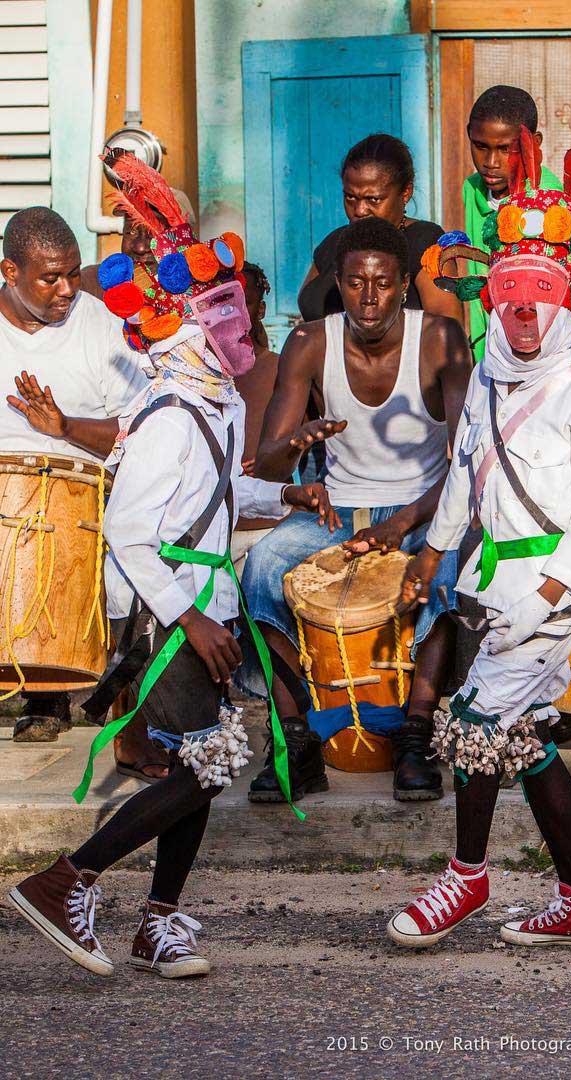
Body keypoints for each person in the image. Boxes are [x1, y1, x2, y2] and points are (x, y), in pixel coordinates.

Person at [7, 153, 335, 979]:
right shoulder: (168, 414)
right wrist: (187, 617)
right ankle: (65, 881)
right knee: (205, 763)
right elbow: (128, 530)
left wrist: (284, 502)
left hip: (203, 599)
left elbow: (220, 499)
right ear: (192, 329)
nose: (247, 341)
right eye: (231, 326)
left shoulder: (213, 404)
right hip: (168, 612)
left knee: (209, 761)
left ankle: (160, 920)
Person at [386, 132, 571, 948]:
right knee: (525, 744)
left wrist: (553, 593)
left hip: (549, 594)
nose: (523, 317)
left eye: (539, 301)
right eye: (509, 301)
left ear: (564, 303)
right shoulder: (490, 377)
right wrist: (431, 555)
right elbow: (464, 474)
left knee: (478, 725)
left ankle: (466, 879)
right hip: (490, 582)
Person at [241, 216, 472, 803]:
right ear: (337, 283)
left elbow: (468, 462)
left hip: (423, 508)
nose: (369, 298)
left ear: (403, 285)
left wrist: (403, 525)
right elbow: (266, 464)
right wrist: (301, 440)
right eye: (354, 282)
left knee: (441, 572)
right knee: (260, 569)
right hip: (335, 513)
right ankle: (296, 736)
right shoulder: (309, 342)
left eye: (383, 282)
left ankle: (415, 736)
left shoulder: (441, 337)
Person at [0, 206, 145, 745]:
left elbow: (140, 431)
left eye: (74, 273)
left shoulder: (103, 326)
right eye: (50, 277)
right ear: (9, 272)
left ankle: (52, 688)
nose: (67, 289)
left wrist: (63, 428)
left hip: (86, 489)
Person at [297, 133, 462, 325]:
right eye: (350, 197)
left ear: (406, 192)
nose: (359, 210)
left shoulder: (425, 243)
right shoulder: (335, 243)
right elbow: (308, 307)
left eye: (373, 199)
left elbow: (448, 330)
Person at [461, 86, 561, 361]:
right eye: (480, 146)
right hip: (489, 352)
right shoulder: (472, 190)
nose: (490, 163)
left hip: (538, 356)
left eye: (505, 149)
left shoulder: (548, 199)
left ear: (533, 144)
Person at [231, 262, 281, 576]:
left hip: (268, 527)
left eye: (244, 304)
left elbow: (301, 438)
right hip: (217, 528)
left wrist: (270, 458)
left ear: (260, 310)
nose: (234, 313)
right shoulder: (201, 372)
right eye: (225, 304)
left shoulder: (279, 368)